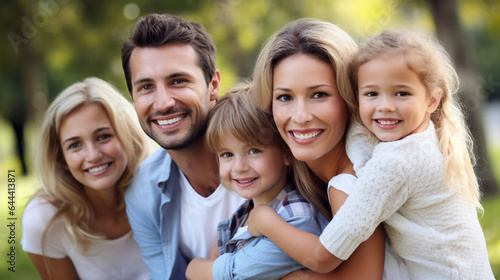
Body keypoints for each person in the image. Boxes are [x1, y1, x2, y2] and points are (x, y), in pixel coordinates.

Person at [251, 28, 494, 279]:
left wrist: (265, 222)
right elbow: (358, 133)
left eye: (319, 94)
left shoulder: (392, 164)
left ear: (432, 101)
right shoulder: (406, 136)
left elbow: (323, 257)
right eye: (371, 94)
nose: (385, 106)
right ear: (358, 98)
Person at [248, 19, 410, 279]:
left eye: (319, 94)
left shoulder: (351, 181)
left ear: (350, 97)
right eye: (285, 97)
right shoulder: (299, 170)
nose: (300, 116)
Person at [121, 13, 245, 279]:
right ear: (132, 96)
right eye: (146, 87)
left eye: (178, 81)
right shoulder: (143, 194)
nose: (163, 102)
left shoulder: (274, 149)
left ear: (212, 85)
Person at [185, 84, 328, 280]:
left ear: (286, 153)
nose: (239, 167)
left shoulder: (297, 219)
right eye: (227, 154)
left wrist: (193, 267)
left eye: (253, 151)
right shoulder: (244, 213)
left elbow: (233, 273)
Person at [21, 77, 153, 280]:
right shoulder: (45, 220)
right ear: (61, 159)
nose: (92, 155)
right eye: (74, 145)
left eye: (103, 136)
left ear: (129, 135)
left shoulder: (164, 190)